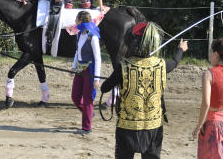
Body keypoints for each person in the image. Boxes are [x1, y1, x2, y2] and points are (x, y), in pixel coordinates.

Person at [101, 22, 188, 159]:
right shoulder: (162, 65)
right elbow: (175, 62)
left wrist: (116, 77)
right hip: (153, 128)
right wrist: (181, 49)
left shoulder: (123, 67)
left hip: (127, 128)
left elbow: (104, 87)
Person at [71, 11, 101, 135]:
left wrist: (96, 78)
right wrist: (73, 66)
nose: (75, 21)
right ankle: (89, 113)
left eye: (76, 19)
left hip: (90, 70)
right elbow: (77, 52)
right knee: (75, 97)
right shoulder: (79, 34)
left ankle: (86, 127)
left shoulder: (92, 37)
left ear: (81, 21)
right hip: (79, 69)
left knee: (88, 99)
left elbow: (98, 58)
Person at [192, 38, 223, 159]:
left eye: (210, 52)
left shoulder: (209, 74)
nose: (209, 55)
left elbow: (206, 103)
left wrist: (199, 125)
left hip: (213, 124)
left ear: (216, 54)